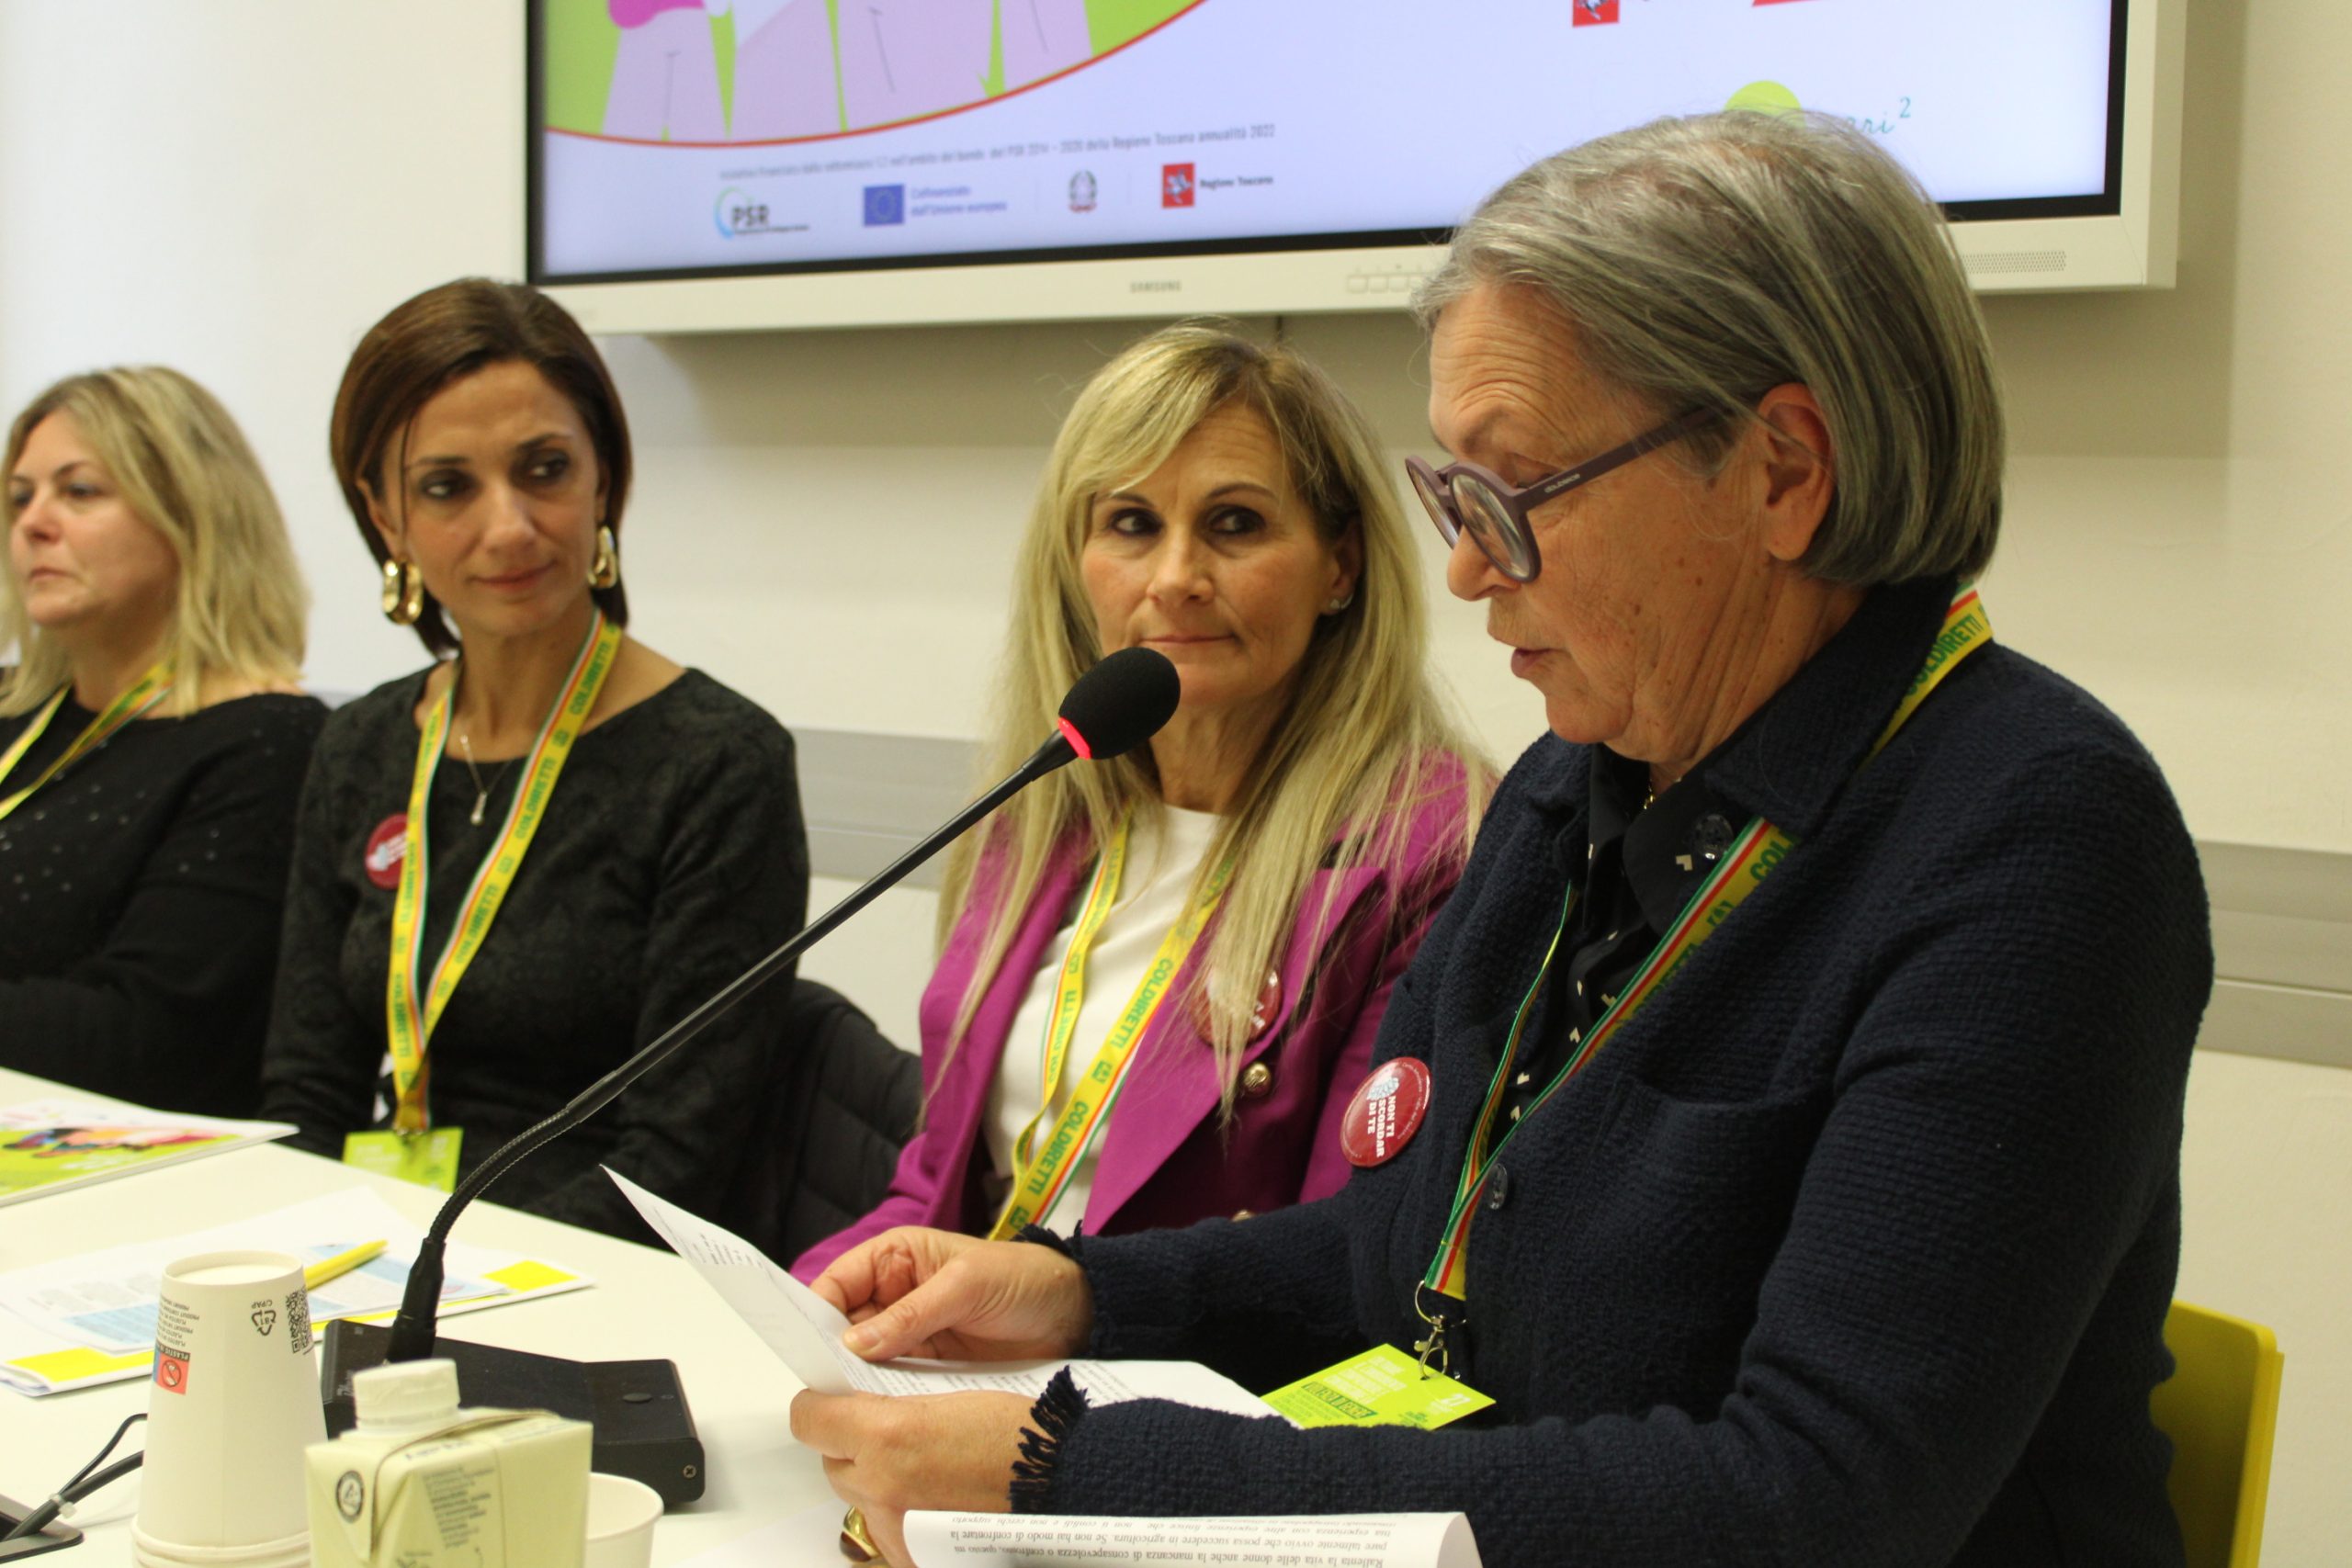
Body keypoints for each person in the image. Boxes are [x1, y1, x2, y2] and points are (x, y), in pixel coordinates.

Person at [789, 114, 2213, 1568]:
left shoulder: (2037, 841)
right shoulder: (1577, 781)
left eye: (1515, 490)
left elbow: (1816, 1496)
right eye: (1453, 495)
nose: (1468, 568)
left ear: (1782, 471)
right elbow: (1401, 1245)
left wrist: (1078, 1464)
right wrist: (1082, 1291)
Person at [791, 324, 1484, 1282]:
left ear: (1341, 565)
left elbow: (1346, 1258)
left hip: (1188, 1362)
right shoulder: (1041, 814)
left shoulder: (1433, 852)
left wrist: (1058, 1315)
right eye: (1131, 523)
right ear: (1074, 560)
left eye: (1234, 523)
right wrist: (794, 1309)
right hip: (969, 1339)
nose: (1174, 579)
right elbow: (937, 1191)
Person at [259, 279, 808, 1240]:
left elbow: (674, 1162)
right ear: (386, 517)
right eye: (448, 487)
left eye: (544, 469)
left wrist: (434, 1274)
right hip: (372, 1245)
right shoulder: (362, 744)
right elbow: (307, 1090)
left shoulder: (720, 761)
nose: (509, 526)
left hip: (588, 1268)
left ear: (604, 479)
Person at [1, 367, 321, 1116]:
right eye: (20, 497)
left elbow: (150, 1037)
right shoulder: (14, 707)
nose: (33, 523)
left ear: (192, 514)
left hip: (117, 1154)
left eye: (80, 492)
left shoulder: (267, 743)